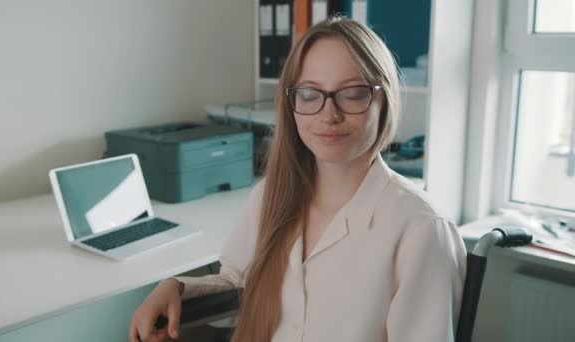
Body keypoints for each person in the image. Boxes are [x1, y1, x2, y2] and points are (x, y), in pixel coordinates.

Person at [130, 16, 467, 342]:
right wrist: (177, 287)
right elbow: (242, 287)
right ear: (290, 104)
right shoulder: (271, 195)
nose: (329, 114)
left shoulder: (420, 228)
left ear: (383, 99)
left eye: (352, 94)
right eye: (309, 94)